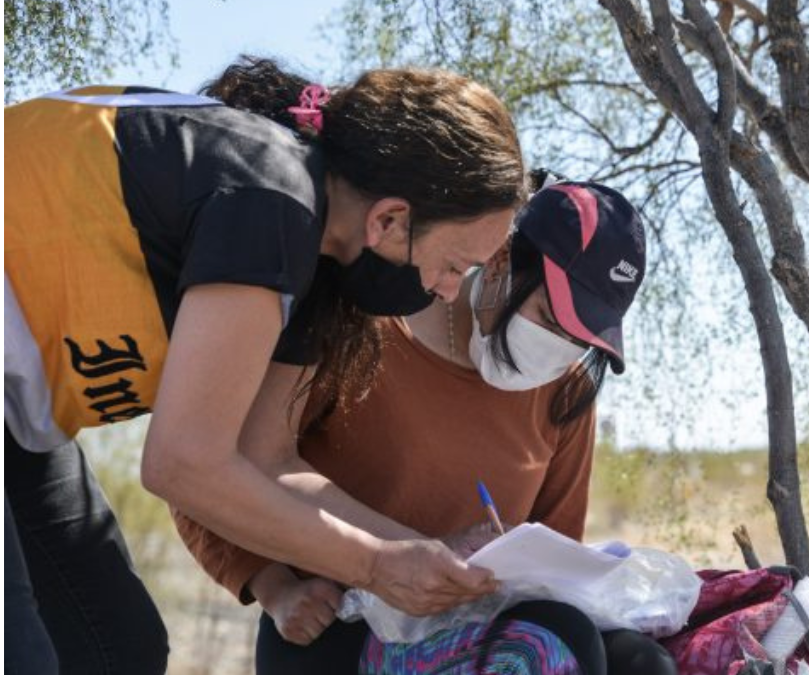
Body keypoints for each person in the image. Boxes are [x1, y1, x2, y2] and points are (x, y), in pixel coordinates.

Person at [4, 57, 526, 674]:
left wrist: (422, 551)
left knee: (118, 650)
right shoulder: (268, 195)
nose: (446, 293)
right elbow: (183, 463)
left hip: (18, 425)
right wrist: (376, 567)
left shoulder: (308, 263)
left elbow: (266, 460)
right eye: (454, 265)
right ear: (388, 220)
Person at [174, 179, 677, 674]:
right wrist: (272, 585)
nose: (559, 349)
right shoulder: (366, 323)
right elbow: (206, 464)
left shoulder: (563, 393)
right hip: (338, 623)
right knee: (546, 644)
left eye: (579, 337)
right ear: (502, 260)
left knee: (642, 661)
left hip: (486, 625)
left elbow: (557, 564)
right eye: (549, 317)